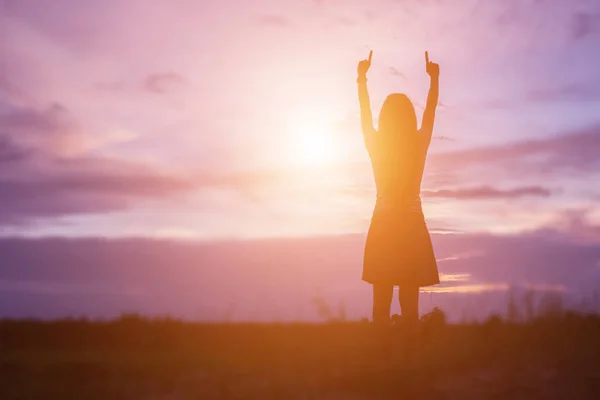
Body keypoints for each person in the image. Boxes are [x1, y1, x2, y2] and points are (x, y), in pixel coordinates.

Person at [357, 50, 440, 335]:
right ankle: (410, 356)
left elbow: (365, 117)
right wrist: (434, 80)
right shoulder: (418, 144)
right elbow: (430, 114)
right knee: (410, 306)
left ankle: (379, 359)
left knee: (381, 303)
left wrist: (361, 79)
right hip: (411, 227)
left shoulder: (377, 144)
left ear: (385, 118)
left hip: (383, 226)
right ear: (409, 117)